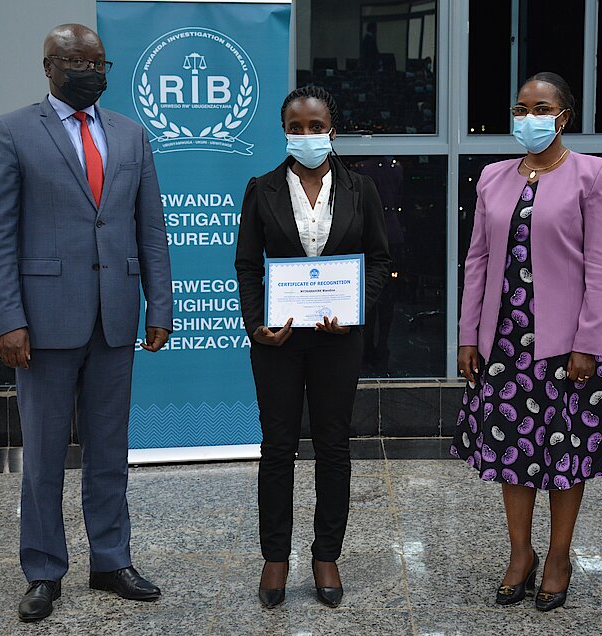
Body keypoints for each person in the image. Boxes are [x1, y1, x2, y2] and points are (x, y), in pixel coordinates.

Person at [0, 24, 172, 622]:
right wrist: (8, 319)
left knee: (110, 451)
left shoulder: (131, 134)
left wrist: (158, 306)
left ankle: (111, 560)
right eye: (76, 62)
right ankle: (43, 570)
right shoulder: (11, 131)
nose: (90, 72)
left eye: (98, 63)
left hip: (115, 319)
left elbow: (150, 228)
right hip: (43, 325)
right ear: (48, 66)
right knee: (43, 456)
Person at [452, 72, 602, 612]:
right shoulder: (493, 177)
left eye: (540, 108)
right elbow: (477, 261)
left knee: (564, 455)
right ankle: (521, 554)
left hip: (566, 345)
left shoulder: (595, 174)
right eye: (521, 108)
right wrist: (468, 335)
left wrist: (590, 341)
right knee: (511, 451)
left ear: (563, 117)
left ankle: (558, 557)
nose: (528, 118)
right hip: (504, 343)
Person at [235, 86, 390, 608]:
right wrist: (257, 324)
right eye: (295, 127)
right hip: (276, 342)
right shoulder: (261, 188)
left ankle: (327, 555)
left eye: (315, 126)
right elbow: (247, 265)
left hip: (338, 342)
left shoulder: (361, 188)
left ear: (332, 130)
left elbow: (379, 259)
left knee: (333, 447)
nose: (306, 135)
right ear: (284, 132)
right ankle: (275, 557)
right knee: (278, 449)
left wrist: (354, 312)